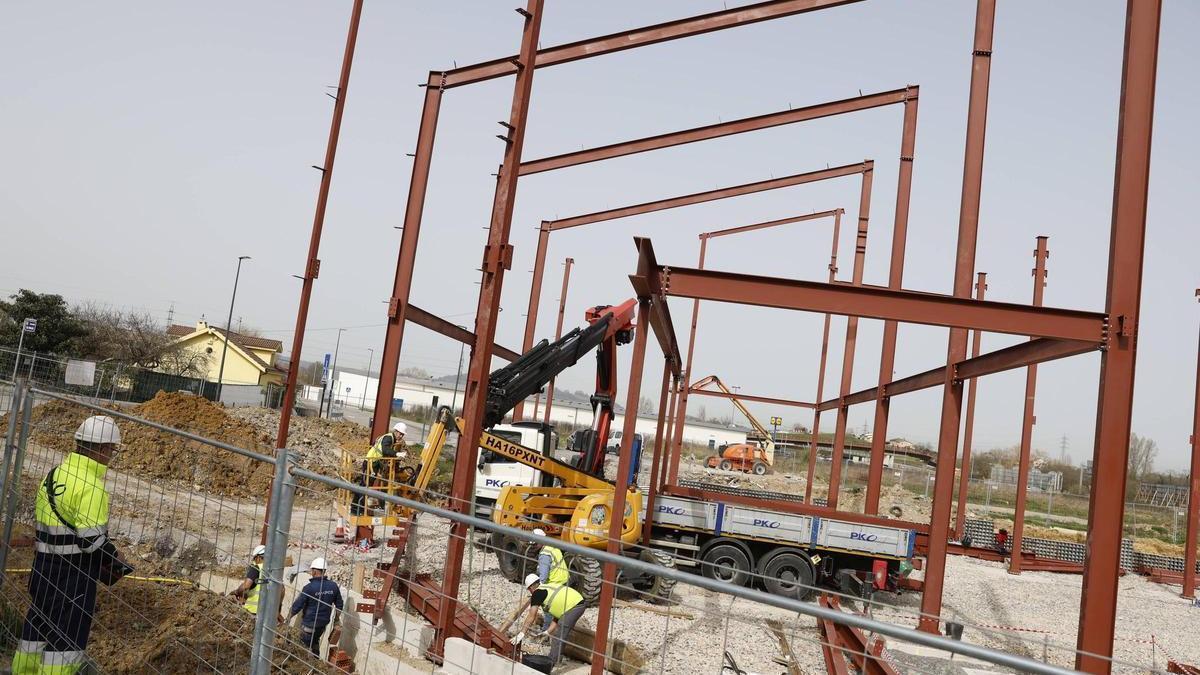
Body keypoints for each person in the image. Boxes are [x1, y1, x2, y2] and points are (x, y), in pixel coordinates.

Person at [15, 415, 129, 675]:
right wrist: (115, 555)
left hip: (43, 565)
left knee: (37, 629)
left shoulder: (55, 474)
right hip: (73, 575)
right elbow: (91, 542)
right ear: (101, 449)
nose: (111, 456)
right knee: (66, 642)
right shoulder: (92, 487)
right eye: (111, 449)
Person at [517, 573, 586, 667]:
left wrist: (522, 633)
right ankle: (555, 659)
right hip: (576, 603)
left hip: (575, 606)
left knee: (560, 633)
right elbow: (558, 616)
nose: (530, 591)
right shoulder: (547, 588)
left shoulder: (537, 593)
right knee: (560, 629)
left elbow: (531, 616)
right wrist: (547, 632)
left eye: (529, 589)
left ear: (531, 587)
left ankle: (551, 663)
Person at [287, 558, 343, 657]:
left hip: (309, 624)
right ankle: (316, 662)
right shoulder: (333, 586)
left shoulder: (309, 588)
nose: (311, 572)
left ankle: (308, 666)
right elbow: (339, 605)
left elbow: (297, 606)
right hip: (322, 624)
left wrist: (288, 618)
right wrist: (337, 620)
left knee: (303, 648)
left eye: (312, 570)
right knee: (315, 642)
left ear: (315, 571)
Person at [229, 544, 267, 614]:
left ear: (258, 557)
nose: (253, 562)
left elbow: (246, 586)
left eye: (254, 559)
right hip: (267, 613)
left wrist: (236, 592)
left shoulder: (256, 568)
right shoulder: (272, 571)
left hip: (252, 611)